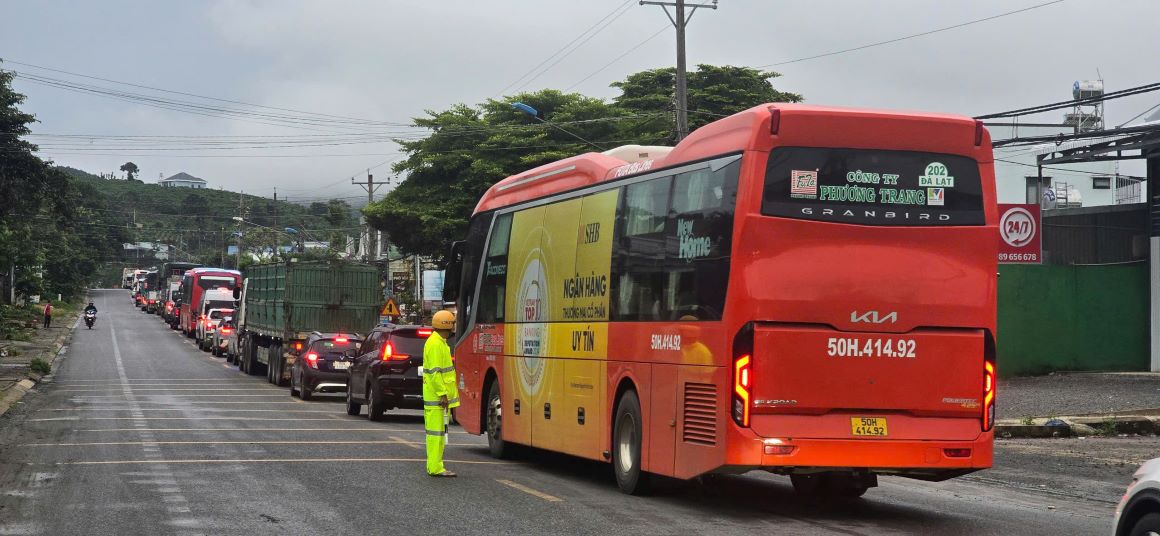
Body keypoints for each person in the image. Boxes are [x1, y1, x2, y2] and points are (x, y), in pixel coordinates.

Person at [422, 309, 460, 477]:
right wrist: (443, 394)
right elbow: (436, 373)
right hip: (437, 399)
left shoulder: (439, 342)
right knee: (436, 435)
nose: (453, 328)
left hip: (437, 398)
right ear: (447, 326)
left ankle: (436, 466)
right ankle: (435, 467)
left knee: (437, 434)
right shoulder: (436, 344)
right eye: (452, 324)